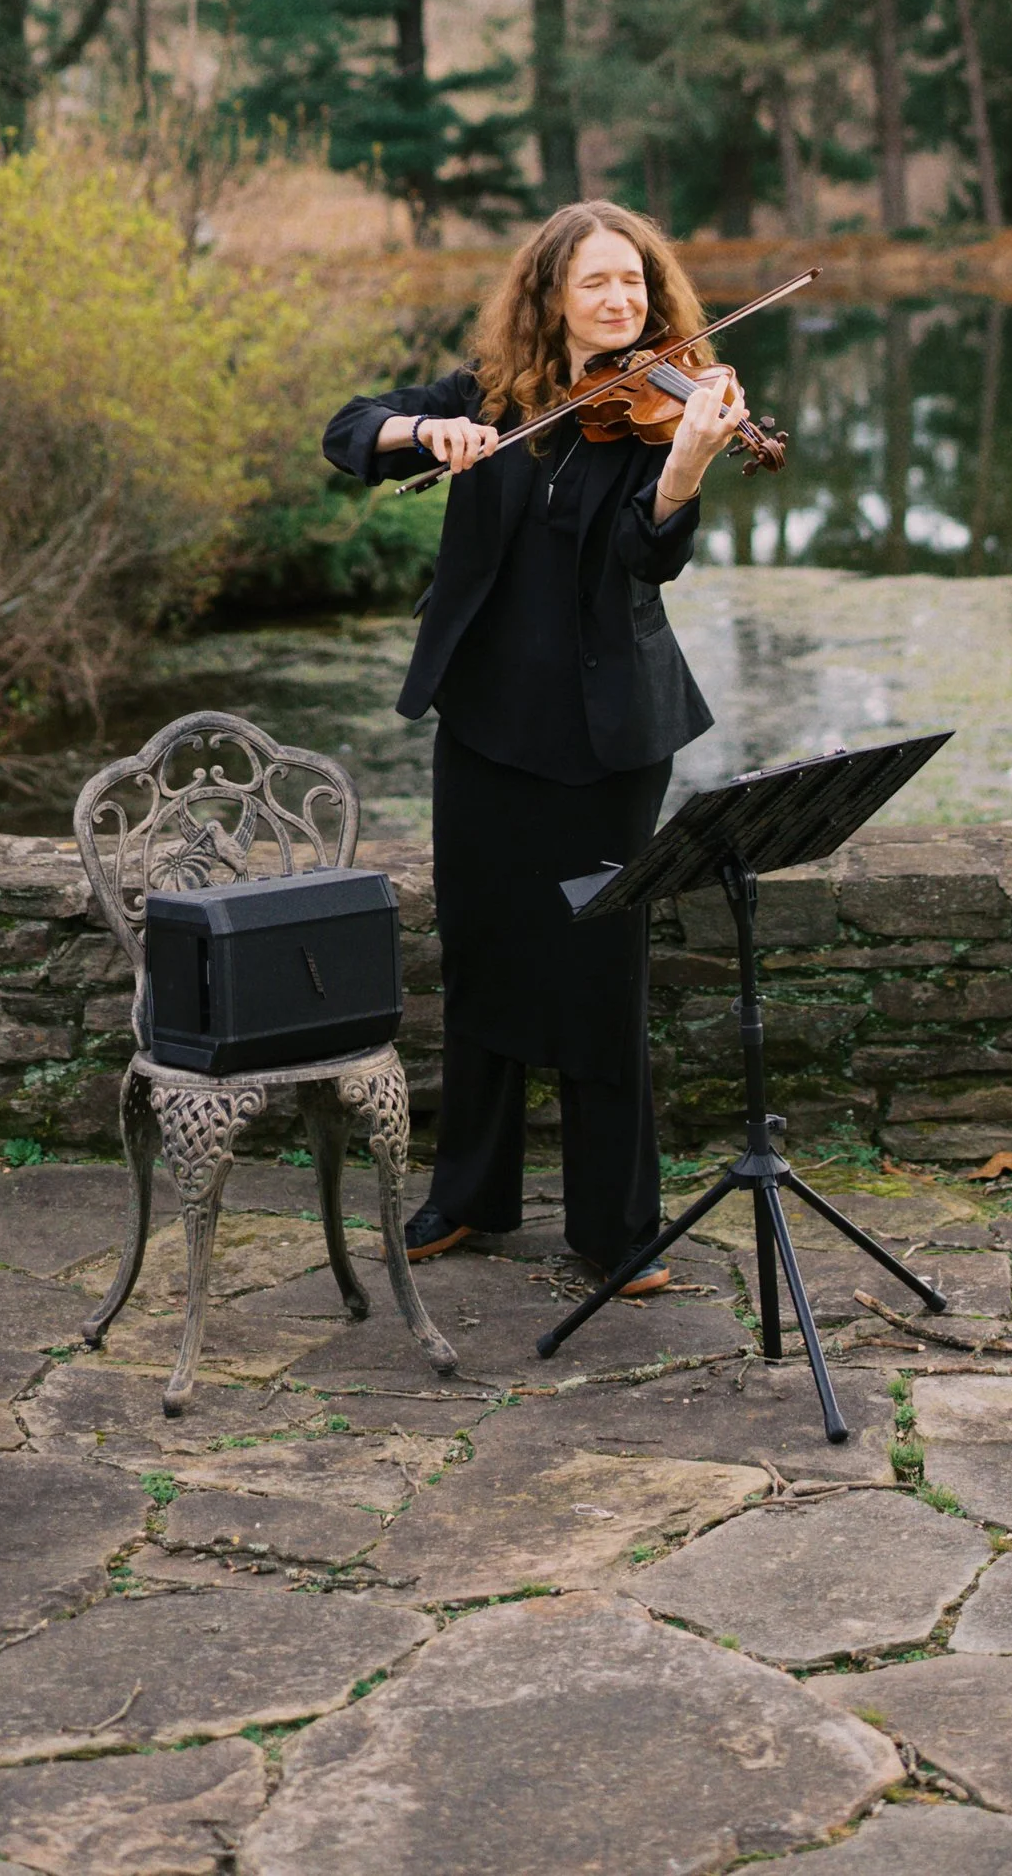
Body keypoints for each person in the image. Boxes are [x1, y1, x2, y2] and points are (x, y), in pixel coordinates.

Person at [321, 202, 744, 1292]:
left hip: (609, 743)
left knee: (598, 971)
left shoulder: (667, 410)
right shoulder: (486, 399)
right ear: (548, 295)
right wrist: (425, 435)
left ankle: (614, 1227)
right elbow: (347, 430)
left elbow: (648, 561)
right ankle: (471, 1192)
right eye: (597, 282)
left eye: (635, 284)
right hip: (485, 724)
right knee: (482, 951)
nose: (620, 301)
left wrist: (687, 469)